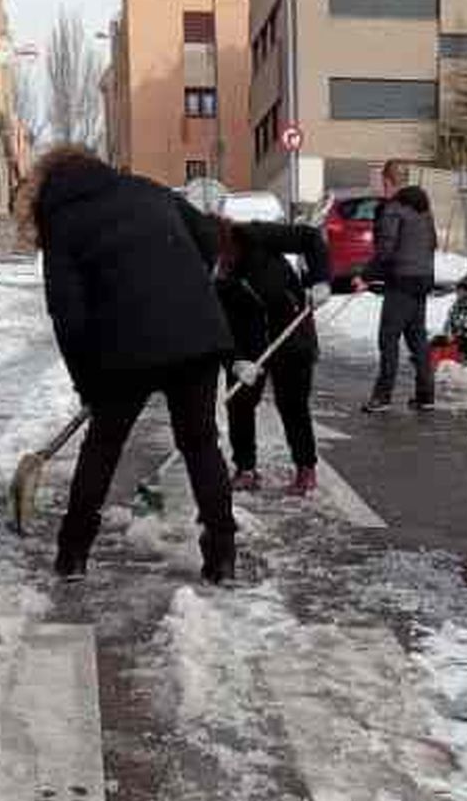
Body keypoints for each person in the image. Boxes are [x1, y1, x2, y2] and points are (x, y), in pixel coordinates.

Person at [27, 146, 238, 584]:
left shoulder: (61, 220)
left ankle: (73, 554)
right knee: (201, 445)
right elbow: (210, 236)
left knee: (103, 447)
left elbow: (67, 314)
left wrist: (87, 382)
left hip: (124, 350)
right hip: (195, 334)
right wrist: (181, 281)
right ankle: (222, 556)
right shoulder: (149, 190)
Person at [211, 216, 333, 496]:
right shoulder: (209, 274)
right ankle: (246, 469)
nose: (218, 264)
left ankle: (306, 467)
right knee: (239, 401)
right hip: (248, 341)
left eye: (219, 255)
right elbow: (216, 325)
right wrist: (235, 360)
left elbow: (310, 238)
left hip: (290, 331)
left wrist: (320, 280)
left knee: (292, 403)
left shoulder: (256, 235)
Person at [355, 160, 438, 413]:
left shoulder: (394, 209)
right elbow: (432, 242)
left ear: (387, 181)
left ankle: (382, 397)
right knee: (417, 338)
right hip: (422, 280)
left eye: (382, 182)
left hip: (401, 282)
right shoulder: (424, 209)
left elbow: (385, 250)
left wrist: (366, 277)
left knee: (388, 338)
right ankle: (426, 395)